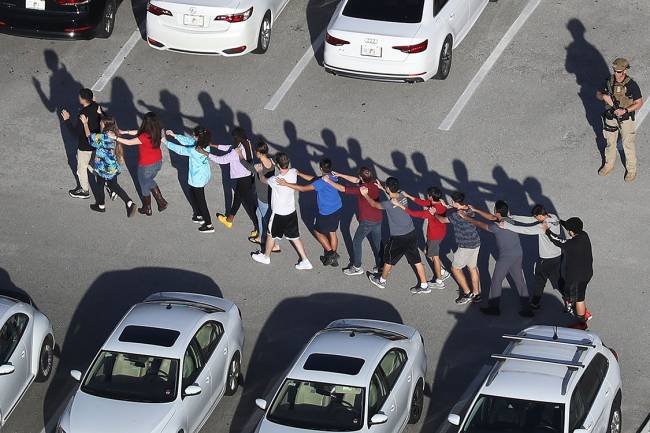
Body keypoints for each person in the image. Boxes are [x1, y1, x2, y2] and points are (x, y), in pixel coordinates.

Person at [459, 201, 533, 317]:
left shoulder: (497, 227)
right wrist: (476, 210)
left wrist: (466, 217)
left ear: (497, 212)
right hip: (518, 254)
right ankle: (527, 308)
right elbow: (492, 217)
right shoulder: (509, 220)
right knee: (519, 280)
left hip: (506, 257)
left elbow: (479, 223)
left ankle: (494, 307)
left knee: (496, 281)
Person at [361, 178, 432, 294]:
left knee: (389, 259)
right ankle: (424, 285)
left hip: (399, 237)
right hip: (411, 232)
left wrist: (365, 195)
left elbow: (374, 204)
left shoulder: (388, 204)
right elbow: (393, 194)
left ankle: (381, 281)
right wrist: (382, 188)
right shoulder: (402, 195)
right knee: (416, 260)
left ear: (388, 188)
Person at [251, 152, 312, 270]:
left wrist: (259, 171)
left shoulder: (275, 179)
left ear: (278, 165)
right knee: (295, 237)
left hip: (278, 214)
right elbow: (296, 172)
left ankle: (266, 257)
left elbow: (263, 180)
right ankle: (305, 260)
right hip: (291, 212)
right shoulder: (293, 172)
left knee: (270, 235)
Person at [499, 204, 567, 311]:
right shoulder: (553, 217)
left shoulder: (542, 227)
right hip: (558, 255)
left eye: (536, 217)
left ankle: (535, 303)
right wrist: (513, 217)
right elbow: (530, 220)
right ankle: (569, 298)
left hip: (546, 259)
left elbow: (525, 230)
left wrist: (507, 226)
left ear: (540, 216)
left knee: (540, 281)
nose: (535, 219)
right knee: (559, 279)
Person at [277, 158, 343, 267]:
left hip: (326, 212)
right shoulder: (332, 176)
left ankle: (331, 255)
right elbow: (314, 179)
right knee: (332, 232)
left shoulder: (321, 182)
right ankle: (333, 258)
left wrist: (286, 183)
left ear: (321, 168)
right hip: (337, 207)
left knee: (317, 231)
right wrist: (299, 174)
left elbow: (303, 189)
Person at [322, 167, 383, 276]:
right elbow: (356, 180)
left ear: (361, 177)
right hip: (378, 218)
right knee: (378, 243)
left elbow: (342, 188)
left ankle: (357, 267)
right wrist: (340, 174)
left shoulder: (362, 189)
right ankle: (380, 266)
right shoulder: (373, 183)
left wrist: (328, 181)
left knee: (356, 242)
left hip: (367, 221)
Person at [597, 57, 644, 182]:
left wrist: (625, 110)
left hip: (625, 119)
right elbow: (598, 94)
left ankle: (631, 170)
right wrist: (604, 97)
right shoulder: (609, 81)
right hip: (610, 116)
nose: (617, 74)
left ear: (625, 71)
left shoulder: (631, 84)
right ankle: (609, 165)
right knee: (610, 142)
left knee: (628, 144)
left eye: (619, 71)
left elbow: (639, 103)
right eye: (615, 71)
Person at [80, 114, 137, 217]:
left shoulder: (103, 137)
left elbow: (89, 138)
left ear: (105, 124)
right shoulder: (114, 133)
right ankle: (129, 202)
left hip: (104, 168)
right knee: (113, 185)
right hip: (113, 166)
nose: (100, 122)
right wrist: (100, 113)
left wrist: (85, 123)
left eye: (101, 122)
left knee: (100, 185)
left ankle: (101, 205)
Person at [542, 217, 593, 329]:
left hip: (576, 277)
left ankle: (581, 323)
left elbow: (558, 241)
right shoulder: (584, 235)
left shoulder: (572, 244)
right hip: (587, 273)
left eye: (568, 229)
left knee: (579, 298)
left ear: (571, 231)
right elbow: (572, 227)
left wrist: (547, 231)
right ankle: (584, 313)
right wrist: (561, 222)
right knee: (581, 293)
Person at [209, 128, 259, 237]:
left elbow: (221, 160)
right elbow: (230, 148)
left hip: (242, 179)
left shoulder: (236, 152)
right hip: (248, 177)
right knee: (238, 199)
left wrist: (205, 153)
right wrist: (214, 145)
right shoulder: (246, 143)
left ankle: (259, 228)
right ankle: (229, 219)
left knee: (250, 205)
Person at [163, 127, 214, 233]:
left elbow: (180, 150)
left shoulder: (195, 151)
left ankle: (209, 225)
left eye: (194, 135)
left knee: (201, 201)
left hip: (197, 179)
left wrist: (165, 141)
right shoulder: (205, 144)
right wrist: (174, 135)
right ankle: (198, 215)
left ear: (198, 137)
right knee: (192, 193)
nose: (192, 136)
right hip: (203, 175)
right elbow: (189, 141)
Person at [116, 112, 167, 216]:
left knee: (145, 183)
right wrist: (125, 131)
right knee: (147, 182)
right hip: (158, 162)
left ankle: (154, 204)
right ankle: (151, 206)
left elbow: (129, 142)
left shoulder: (144, 136)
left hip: (146, 165)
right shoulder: (156, 130)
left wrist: (115, 137)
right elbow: (138, 132)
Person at [435, 192, 481, 305]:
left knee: (455, 269)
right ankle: (476, 294)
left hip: (465, 246)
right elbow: (458, 208)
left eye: (452, 201)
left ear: (456, 202)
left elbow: (442, 220)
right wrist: (448, 206)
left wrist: (434, 213)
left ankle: (467, 293)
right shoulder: (469, 208)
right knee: (473, 268)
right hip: (475, 243)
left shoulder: (457, 215)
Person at [400, 187, 451, 288]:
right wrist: (408, 196)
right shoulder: (440, 203)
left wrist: (400, 206)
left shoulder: (432, 210)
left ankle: (439, 281)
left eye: (428, 195)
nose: (427, 197)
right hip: (440, 233)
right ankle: (441, 271)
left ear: (431, 197)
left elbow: (415, 214)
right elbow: (422, 202)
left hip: (434, 236)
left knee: (435, 257)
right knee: (427, 252)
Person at [61, 88, 102, 199]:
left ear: (83, 100)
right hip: (97, 142)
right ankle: (108, 183)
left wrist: (67, 120)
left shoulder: (83, 114)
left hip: (85, 146)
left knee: (81, 168)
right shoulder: (97, 107)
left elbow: (75, 133)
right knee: (92, 165)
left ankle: (84, 191)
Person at [237, 140, 277, 247]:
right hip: (268, 194)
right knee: (259, 215)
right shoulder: (272, 162)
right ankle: (260, 237)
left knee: (267, 220)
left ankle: (274, 244)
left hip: (262, 197)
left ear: (259, 153)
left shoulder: (259, 166)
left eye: (256, 152)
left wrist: (240, 155)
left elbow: (247, 166)